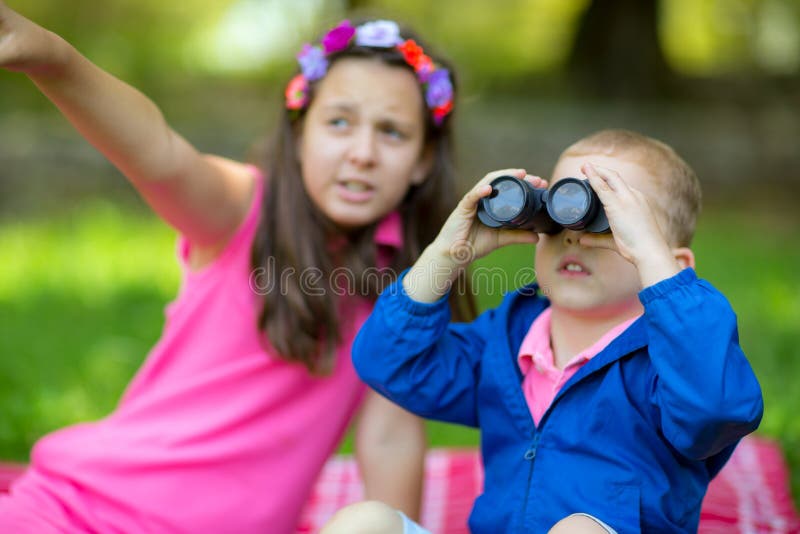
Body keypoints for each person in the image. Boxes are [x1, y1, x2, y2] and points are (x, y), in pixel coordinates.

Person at [0, 5, 473, 532]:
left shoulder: (408, 291)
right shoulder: (243, 210)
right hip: (80, 513)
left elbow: (390, 440)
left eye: (392, 132)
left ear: (424, 160)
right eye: (339, 122)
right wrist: (53, 58)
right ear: (299, 134)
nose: (362, 152)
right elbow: (159, 154)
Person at [323, 129, 764, 533]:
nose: (573, 235)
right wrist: (444, 255)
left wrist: (660, 274)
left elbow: (714, 413)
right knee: (364, 522)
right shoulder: (507, 340)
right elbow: (388, 363)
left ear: (673, 266)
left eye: (607, 221)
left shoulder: (673, 363)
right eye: (559, 212)